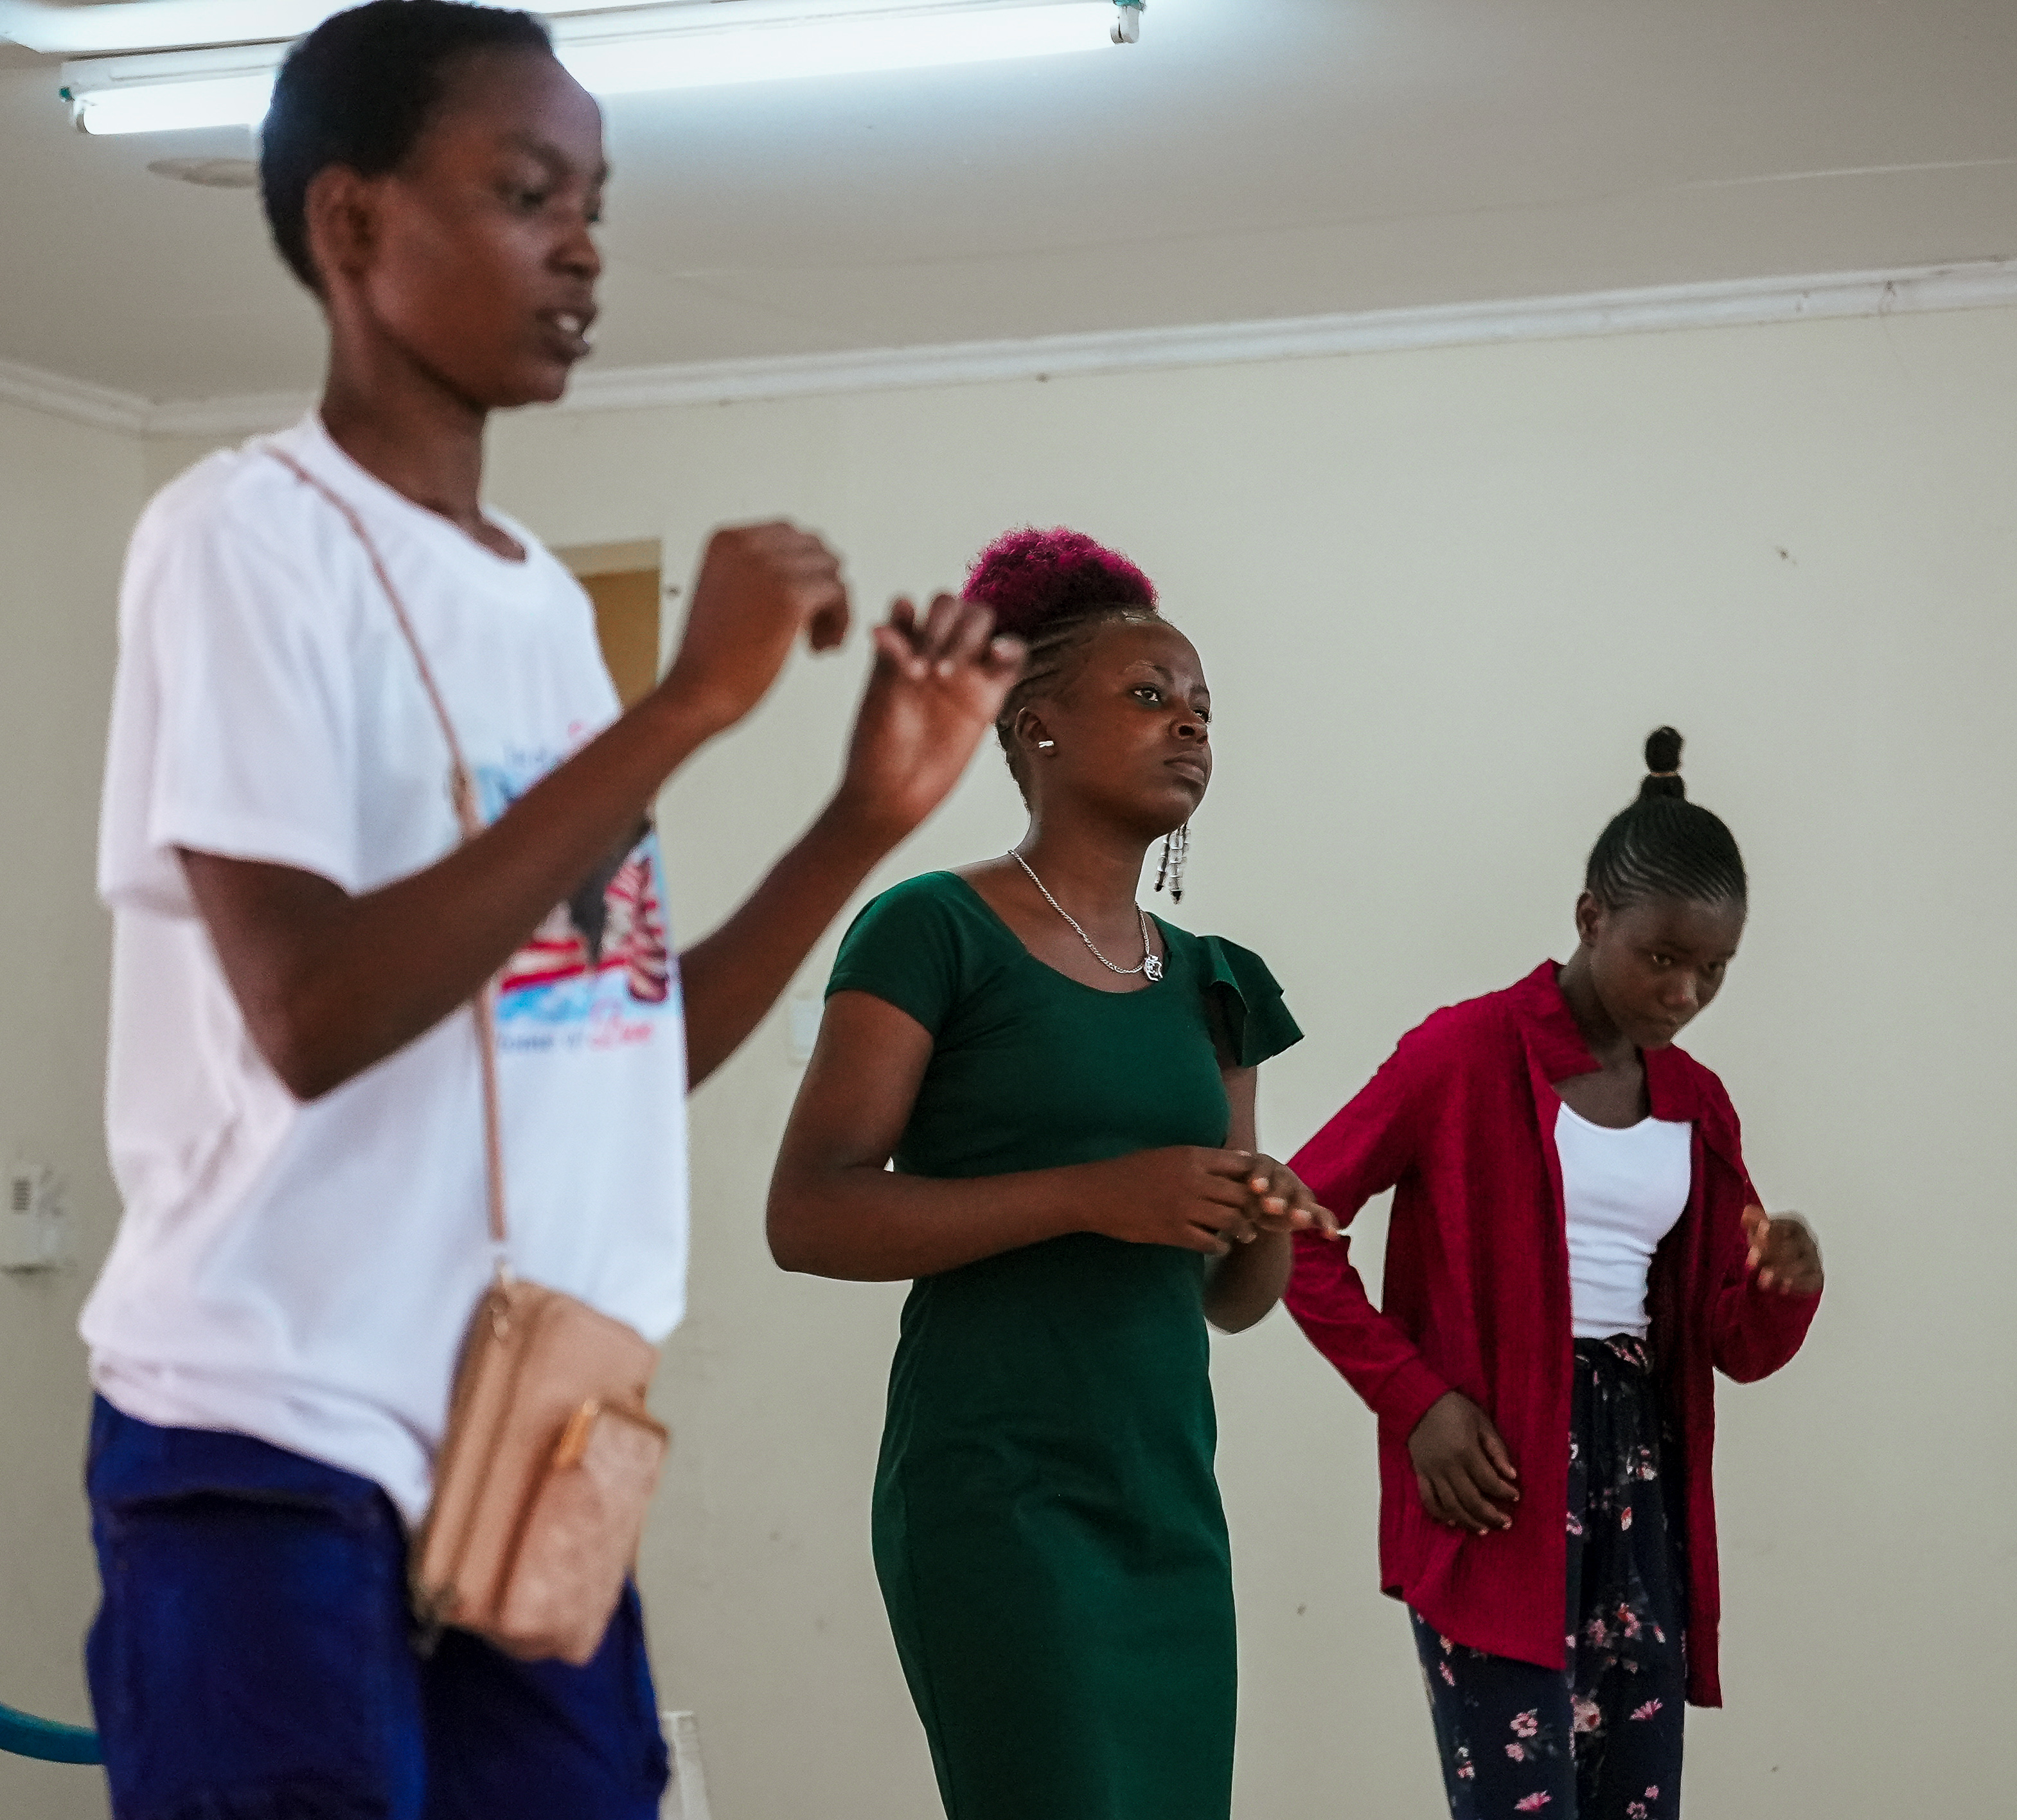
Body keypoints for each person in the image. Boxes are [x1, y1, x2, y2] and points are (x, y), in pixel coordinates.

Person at [80, 4, 1022, 1815]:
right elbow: (315, 1014)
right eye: (526, 192)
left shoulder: (525, 609)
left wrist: (857, 815)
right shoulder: (238, 540)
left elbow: (610, 1042)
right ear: (352, 226)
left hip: (534, 1428)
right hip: (274, 1432)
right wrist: (682, 711)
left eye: (594, 197)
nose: (584, 242)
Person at [766, 528, 1335, 1820]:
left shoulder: (1218, 982)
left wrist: (1263, 1214)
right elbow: (810, 1213)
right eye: (1148, 695)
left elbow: (1227, 1300)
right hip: (997, 1497)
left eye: (1201, 706)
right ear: (1036, 730)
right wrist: (1091, 1195)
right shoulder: (932, 931)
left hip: (1167, 1501)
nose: (1188, 724)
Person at [1284, 727, 1824, 1820]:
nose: (1684, 993)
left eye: (1712, 969)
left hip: (1640, 1485)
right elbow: (1292, 1229)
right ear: (1591, 920)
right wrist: (1417, 1403)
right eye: (1661, 957)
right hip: (1497, 1482)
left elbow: (1732, 1343)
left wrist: (1784, 1286)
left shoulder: (1697, 1104)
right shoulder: (1463, 1056)